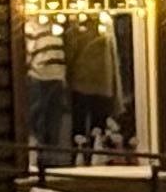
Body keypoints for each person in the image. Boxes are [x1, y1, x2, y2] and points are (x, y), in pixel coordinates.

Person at [62, 11, 118, 162]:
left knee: (79, 125)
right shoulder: (105, 26)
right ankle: (95, 158)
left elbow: (70, 53)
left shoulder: (78, 29)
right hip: (103, 84)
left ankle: (77, 158)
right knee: (98, 126)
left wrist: (68, 75)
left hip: (81, 82)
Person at [24, 20, 71, 172]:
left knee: (52, 118)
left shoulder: (56, 26)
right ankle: (37, 156)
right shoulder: (31, 26)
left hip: (56, 76)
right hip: (39, 77)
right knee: (38, 116)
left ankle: (49, 157)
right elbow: (28, 52)